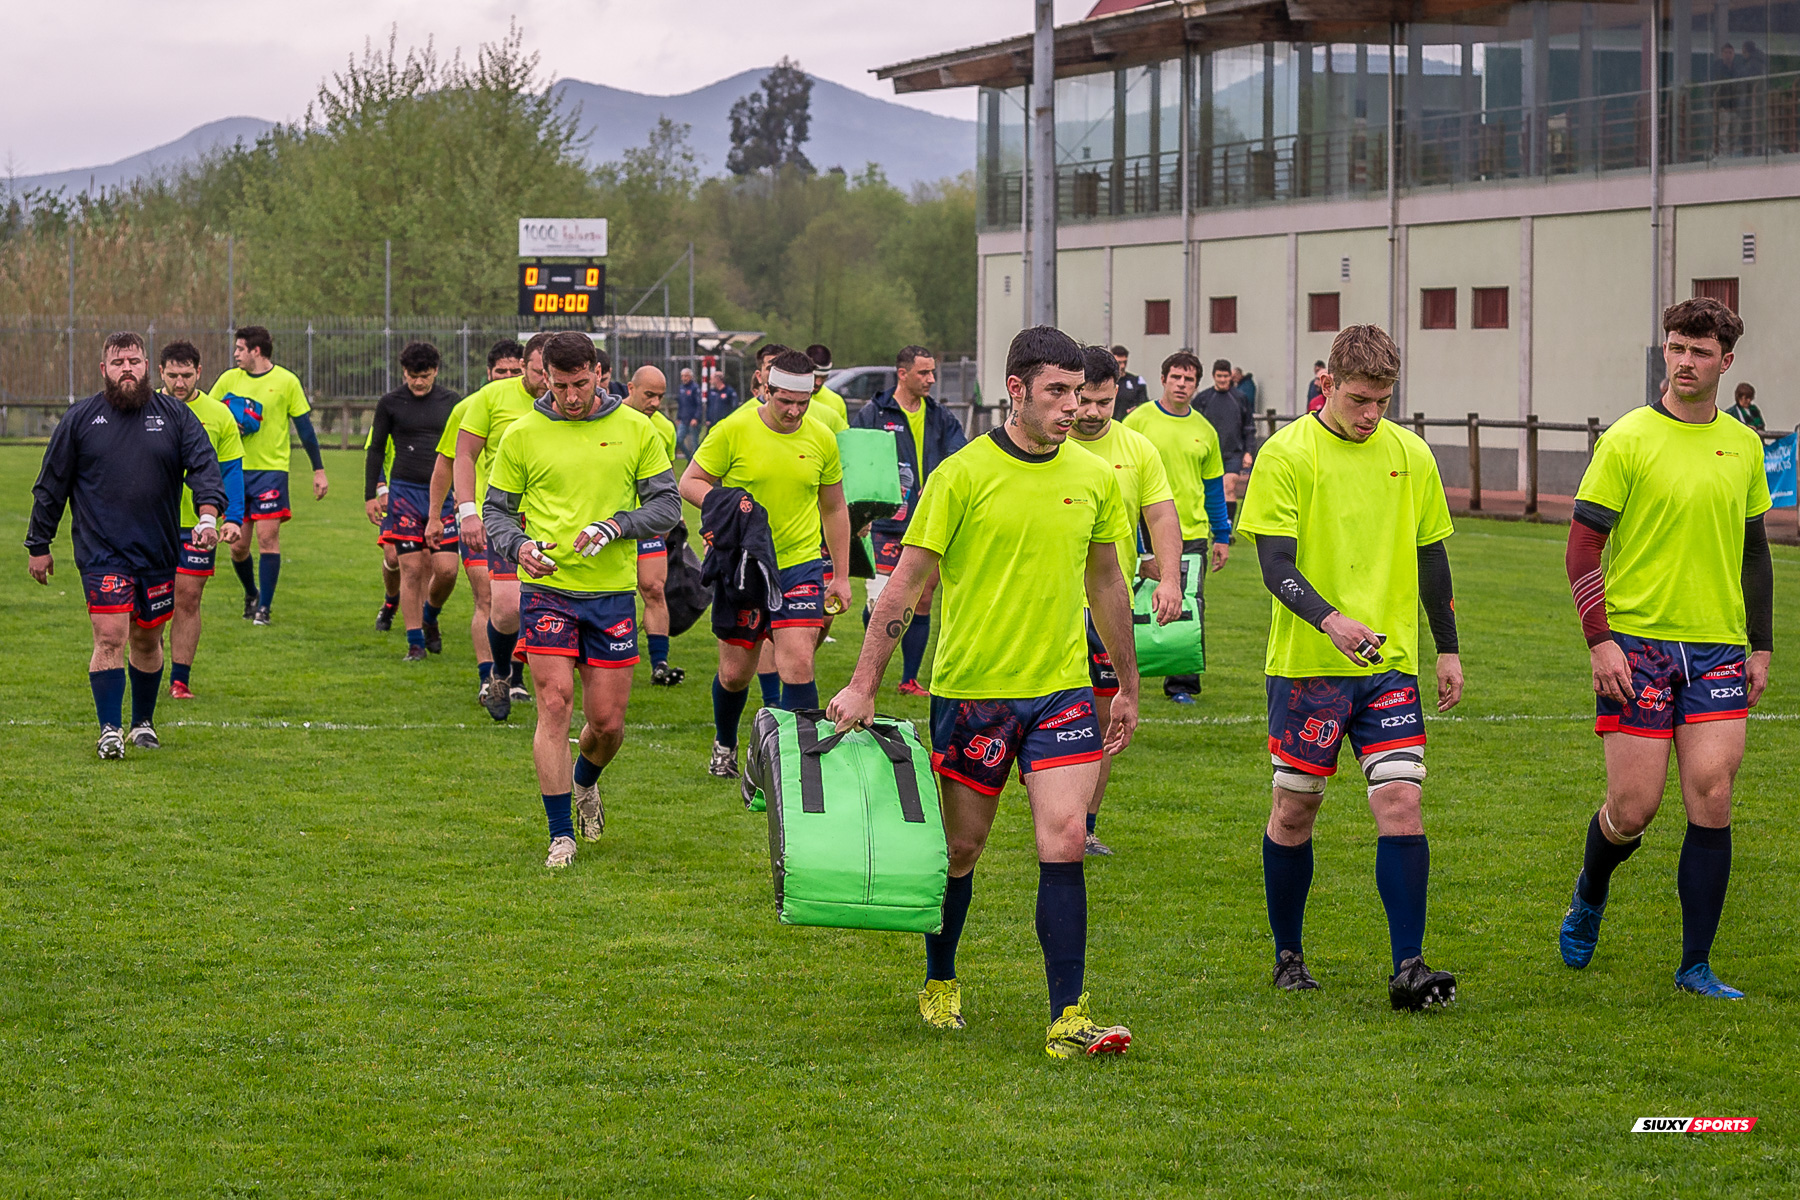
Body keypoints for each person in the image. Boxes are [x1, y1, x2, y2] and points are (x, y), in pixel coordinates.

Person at [827, 325, 1140, 1060]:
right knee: (962, 849)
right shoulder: (961, 475)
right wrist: (863, 682)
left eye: (1080, 393)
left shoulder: (1094, 477)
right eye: (1057, 392)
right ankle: (940, 977)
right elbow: (905, 584)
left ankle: (1069, 1015)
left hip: (1061, 690)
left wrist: (1125, 683)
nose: (1072, 408)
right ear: (1017, 390)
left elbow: (1105, 584)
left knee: (1063, 839)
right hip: (973, 691)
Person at [1239, 323, 1464, 1010]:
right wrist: (1330, 620)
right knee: (1295, 812)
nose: (1371, 414)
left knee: (1401, 801)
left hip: (1389, 666)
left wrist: (1447, 646)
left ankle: (1409, 966)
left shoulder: (1411, 455)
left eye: (1383, 401)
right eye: (1360, 399)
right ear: (1328, 383)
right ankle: (1288, 954)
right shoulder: (1287, 455)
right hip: (1308, 665)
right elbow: (1275, 564)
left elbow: (1431, 556)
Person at [1558, 297, 1772, 1000]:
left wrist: (1761, 646)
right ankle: (1591, 889)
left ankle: (1695, 965)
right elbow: (1583, 546)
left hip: (1716, 649)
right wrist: (1600, 642)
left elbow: (1754, 551)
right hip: (1637, 645)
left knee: (1713, 795)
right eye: (1676, 348)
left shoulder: (1742, 444)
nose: (1684, 362)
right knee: (1634, 809)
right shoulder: (1627, 438)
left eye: (1699, 352)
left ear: (1726, 362)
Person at [483, 332, 679, 868]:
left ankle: (585, 780)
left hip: (611, 594)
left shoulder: (636, 429)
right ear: (543, 376)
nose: (571, 397)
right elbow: (496, 510)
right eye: (560, 384)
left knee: (607, 723)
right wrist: (520, 546)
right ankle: (560, 834)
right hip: (548, 590)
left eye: (581, 384)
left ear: (599, 372)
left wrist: (617, 525)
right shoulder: (523, 434)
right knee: (553, 704)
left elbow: (667, 505)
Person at [26, 332, 227, 757]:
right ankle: (109, 730)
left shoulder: (174, 416)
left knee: (146, 640)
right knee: (110, 636)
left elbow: (204, 465)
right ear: (104, 371)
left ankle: (142, 723)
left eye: (133, 361)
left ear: (146, 367)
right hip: (102, 552)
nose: (127, 370)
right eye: (117, 364)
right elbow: (51, 486)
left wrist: (208, 515)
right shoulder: (80, 420)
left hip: (157, 550)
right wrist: (38, 543)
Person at [682, 348, 852, 777]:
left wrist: (842, 576)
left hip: (799, 565)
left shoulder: (821, 437)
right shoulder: (733, 430)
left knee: (798, 661)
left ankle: (798, 764)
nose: (794, 411)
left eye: (803, 402)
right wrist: (729, 504)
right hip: (742, 567)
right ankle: (725, 743)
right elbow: (690, 481)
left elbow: (833, 508)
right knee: (736, 674)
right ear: (766, 389)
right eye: (785, 401)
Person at [1068, 346, 1183, 857]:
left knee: (1102, 716)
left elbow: (1160, 515)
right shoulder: (1044, 444)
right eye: (1085, 400)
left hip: (1106, 606)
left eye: (1105, 402)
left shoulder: (1137, 449)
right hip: (1045, 603)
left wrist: (1170, 579)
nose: (1093, 413)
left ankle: (1084, 826)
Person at [849, 345, 965, 695]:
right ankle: (873, 665)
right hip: (885, 522)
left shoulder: (940, 416)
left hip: (928, 521)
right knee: (885, 599)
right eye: (923, 373)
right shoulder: (874, 413)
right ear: (903, 374)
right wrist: (860, 514)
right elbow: (857, 461)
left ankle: (909, 679)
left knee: (925, 597)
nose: (930, 379)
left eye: (933, 373)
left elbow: (961, 459)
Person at [1122, 351, 1232, 702]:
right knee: (1129, 603)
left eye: (1189, 380)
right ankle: (1123, 676)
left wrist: (1223, 535)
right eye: (1176, 378)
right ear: (1163, 379)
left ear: (1196, 385)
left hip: (1192, 533)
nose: (1182, 385)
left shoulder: (1205, 430)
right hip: (1142, 529)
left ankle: (1181, 685)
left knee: (1187, 607)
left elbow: (1213, 487)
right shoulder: (1138, 422)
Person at [454, 333, 552, 721]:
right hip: (506, 517)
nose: (546, 381)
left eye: (552, 373)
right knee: (507, 607)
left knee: (548, 606)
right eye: (538, 371)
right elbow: (463, 455)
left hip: (556, 518)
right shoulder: (491, 399)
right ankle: (500, 671)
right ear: (524, 365)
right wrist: (467, 511)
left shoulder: (571, 403)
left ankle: (548, 687)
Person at [426, 340, 525, 699]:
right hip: (482, 518)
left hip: (530, 521)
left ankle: (515, 674)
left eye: (516, 371)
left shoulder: (546, 407)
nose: (509, 378)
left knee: (519, 603)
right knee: (488, 597)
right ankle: (490, 678)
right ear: (488, 373)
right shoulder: (472, 406)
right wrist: (436, 516)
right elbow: (447, 463)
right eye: (502, 371)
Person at [210, 326, 327, 626]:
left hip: (271, 471)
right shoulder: (228, 380)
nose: (235, 354)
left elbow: (305, 429)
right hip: (233, 469)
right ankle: (251, 592)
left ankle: (264, 607)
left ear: (256, 351)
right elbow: (207, 415)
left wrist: (319, 469)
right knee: (237, 547)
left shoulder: (287, 381)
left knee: (268, 538)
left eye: (240, 348)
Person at [155, 341, 245, 701]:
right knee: (151, 601)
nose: (180, 383)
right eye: (173, 375)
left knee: (188, 598)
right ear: (160, 372)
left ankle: (180, 680)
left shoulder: (218, 414)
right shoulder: (146, 410)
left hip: (199, 525)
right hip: (150, 523)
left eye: (186, 375)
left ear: (199, 372)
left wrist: (234, 517)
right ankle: (147, 665)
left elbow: (231, 470)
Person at [366, 341, 461, 662]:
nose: (418, 382)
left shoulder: (452, 403)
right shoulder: (390, 403)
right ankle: (415, 642)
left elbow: (463, 453)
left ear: (436, 371)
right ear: (403, 372)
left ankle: (430, 617)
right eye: (412, 375)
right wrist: (371, 493)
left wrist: (463, 490)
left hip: (442, 496)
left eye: (425, 375)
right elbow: (376, 449)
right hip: (404, 494)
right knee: (411, 567)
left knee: (447, 570)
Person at [621, 365, 686, 685]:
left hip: (647, 523)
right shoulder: (610, 420)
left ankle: (659, 664)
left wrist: (672, 513)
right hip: (613, 524)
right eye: (649, 395)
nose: (656, 402)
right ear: (630, 387)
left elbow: (667, 475)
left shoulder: (664, 427)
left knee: (654, 588)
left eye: (660, 396)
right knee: (615, 594)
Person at [1196, 358, 1257, 519]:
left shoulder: (1240, 398)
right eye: (1219, 376)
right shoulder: (1202, 399)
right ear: (1213, 376)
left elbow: (1249, 427)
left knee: (1228, 487)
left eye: (1225, 376)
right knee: (1208, 490)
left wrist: (1249, 452)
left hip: (1233, 453)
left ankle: (1227, 527)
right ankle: (1212, 523)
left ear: (1230, 376)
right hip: (1209, 453)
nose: (1222, 380)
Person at [806, 343, 850, 428]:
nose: (818, 382)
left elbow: (842, 436)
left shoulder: (837, 401)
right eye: (815, 376)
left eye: (823, 377)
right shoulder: (789, 398)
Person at [1110, 345, 1149, 419]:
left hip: (1130, 423)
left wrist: (1137, 409)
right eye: (1119, 363)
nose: (1122, 366)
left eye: (1125, 362)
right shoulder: (1106, 382)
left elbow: (1144, 403)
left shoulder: (1136, 381)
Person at [675, 367, 705, 459]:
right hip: (683, 420)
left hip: (693, 420)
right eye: (683, 376)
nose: (684, 378)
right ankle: (689, 459)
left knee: (694, 444)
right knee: (678, 440)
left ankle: (695, 462)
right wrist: (678, 417)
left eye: (686, 376)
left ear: (690, 377)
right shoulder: (681, 388)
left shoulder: (695, 388)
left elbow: (699, 404)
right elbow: (681, 404)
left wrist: (696, 418)